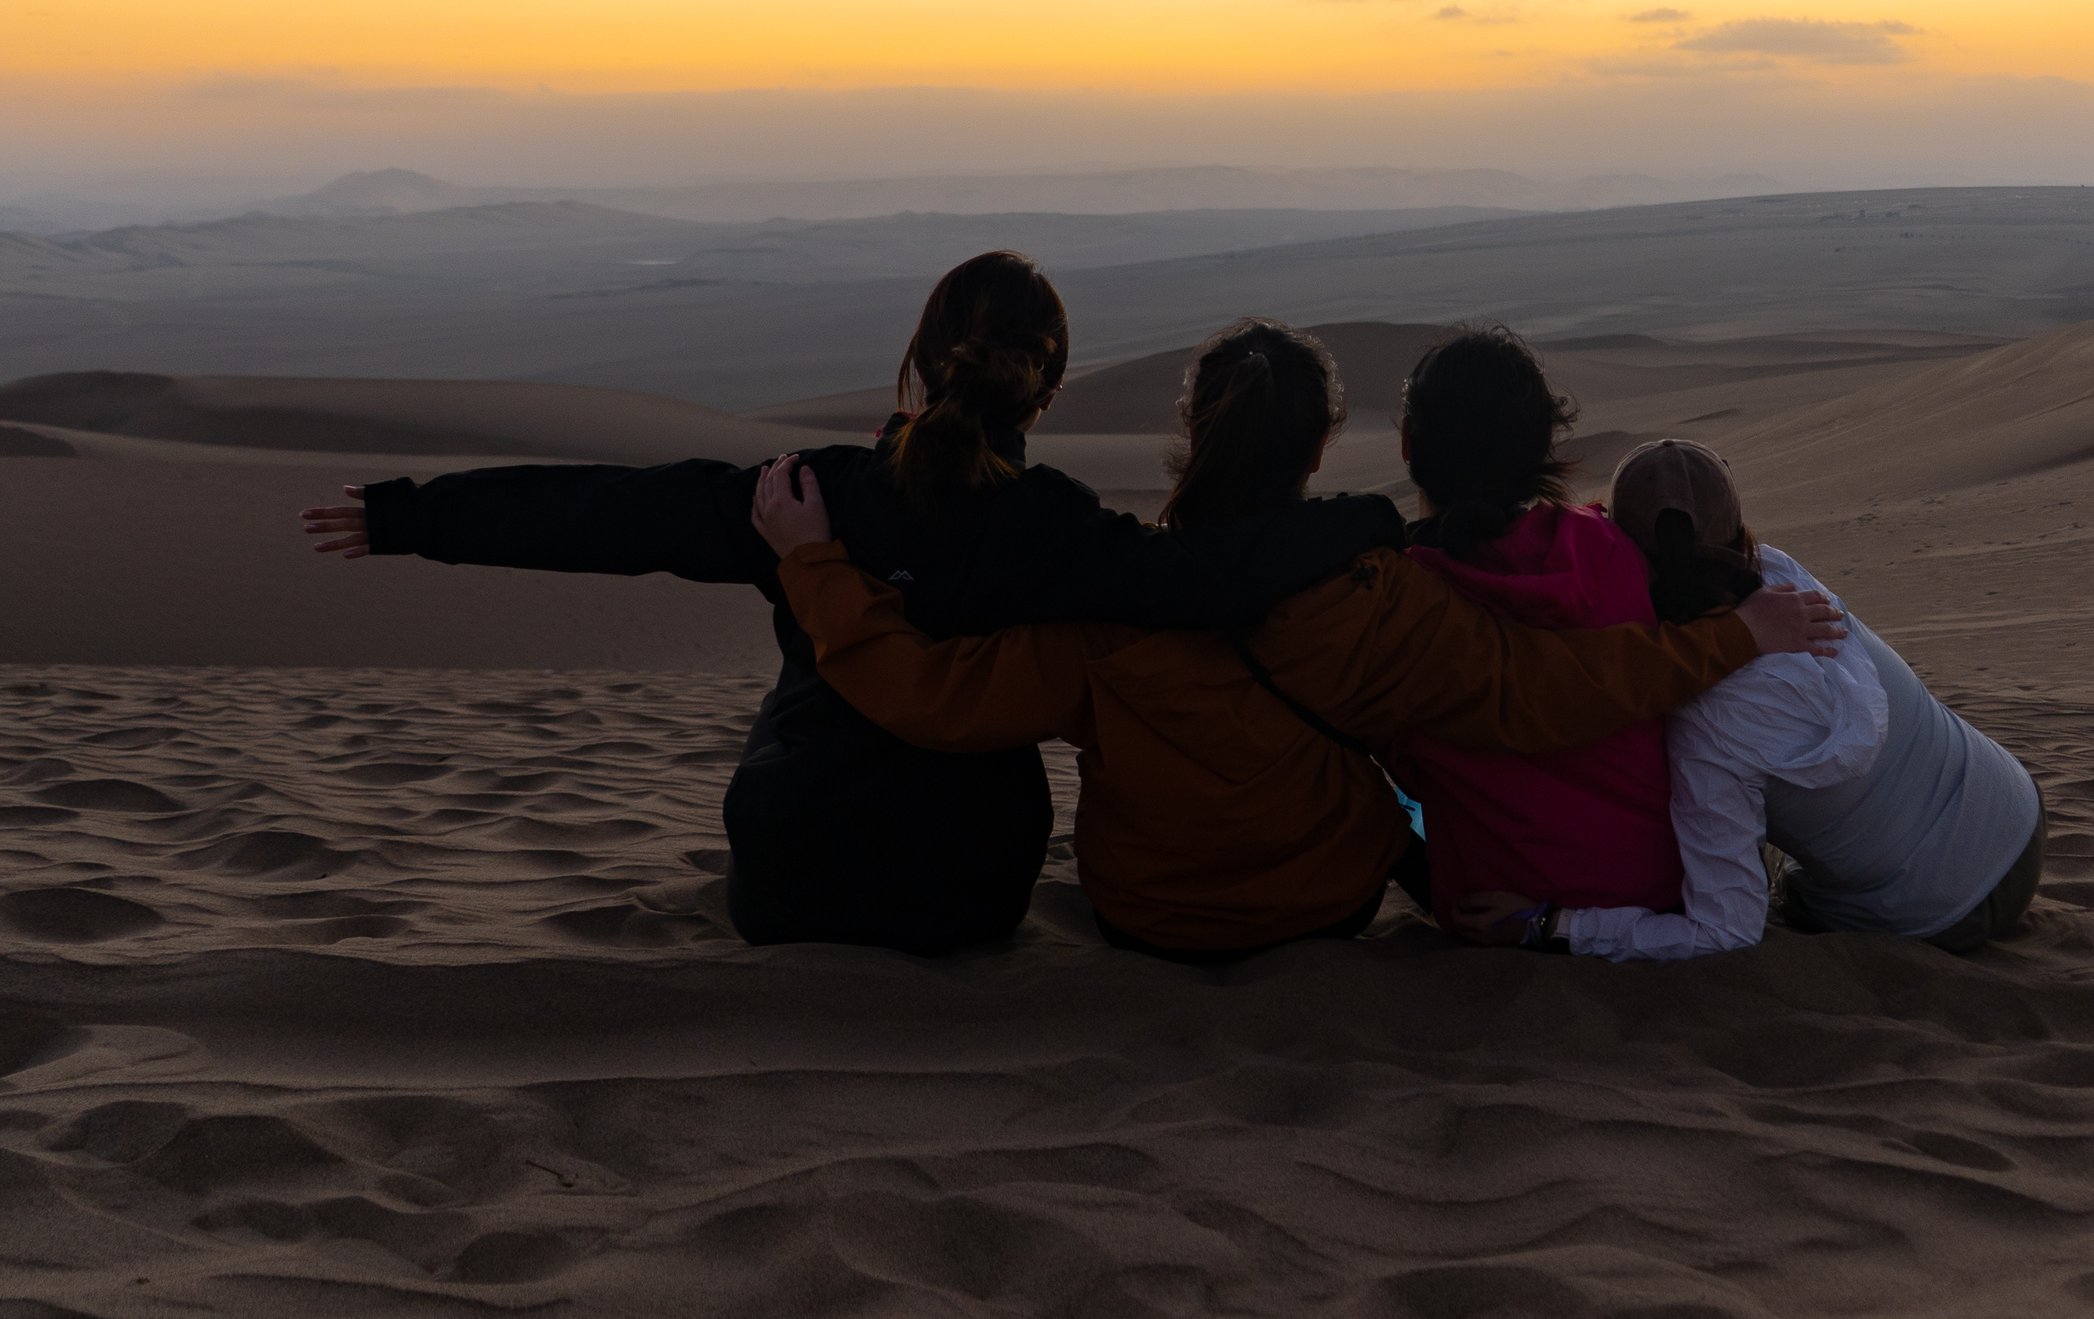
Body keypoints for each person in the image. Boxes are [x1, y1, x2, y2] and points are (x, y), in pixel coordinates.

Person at [301, 251, 1404, 955]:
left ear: (919, 366)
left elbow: (620, 515)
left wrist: (417, 517)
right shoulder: (1052, 523)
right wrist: (1358, 519)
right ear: (1048, 386)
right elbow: (1199, 576)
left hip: (791, 876)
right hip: (964, 895)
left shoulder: (805, 494)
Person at [750, 320, 1847, 964]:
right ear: (1323, 448)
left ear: (1190, 435)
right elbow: (1543, 690)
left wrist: (811, 563)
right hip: (1329, 905)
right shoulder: (1375, 599)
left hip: (1151, 922)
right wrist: (1732, 639)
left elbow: (929, 695)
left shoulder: (1101, 600)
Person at [1446, 437, 2043, 960]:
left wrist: (1553, 925)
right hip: (2017, 805)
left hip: (1943, 910)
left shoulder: (1705, 725)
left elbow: (1723, 933)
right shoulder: (1787, 581)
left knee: (1792, 896)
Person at [1382, 327, 1687, 936]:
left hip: (1500, 915)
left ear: (1409, 445)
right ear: (1542, 445)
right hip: (1656, 895)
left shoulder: (1400, 601)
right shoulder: (1606, 551)